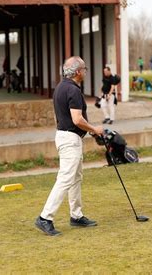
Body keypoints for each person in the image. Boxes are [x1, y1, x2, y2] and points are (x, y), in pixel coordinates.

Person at [35, 56, 104, 237]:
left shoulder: (60, 87)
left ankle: (76, 215)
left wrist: (89, 131)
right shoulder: (73, 90)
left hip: (67, 137)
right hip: (69, 139)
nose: (86, 71)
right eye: (84, 68)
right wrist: (94, 129)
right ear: (78, 71)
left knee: (75, 177)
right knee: (66, 178)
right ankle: (45, 217)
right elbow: (77, 119)